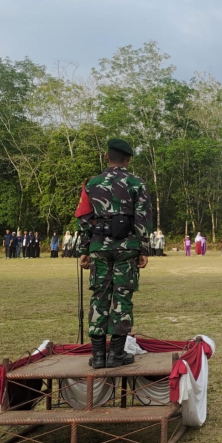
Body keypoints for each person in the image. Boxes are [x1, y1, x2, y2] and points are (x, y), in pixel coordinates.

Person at [76, 138, 152, 370]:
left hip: (99, 247)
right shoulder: (136, 183)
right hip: (127, 247)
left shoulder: (91, 184)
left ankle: (99, 356)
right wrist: (143, 249)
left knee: (99, 297)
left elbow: (84, 218)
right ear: (128, 159)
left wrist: (84, 250)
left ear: (107, 157)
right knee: (122, 298)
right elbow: (143, 218)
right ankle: (115, 355)